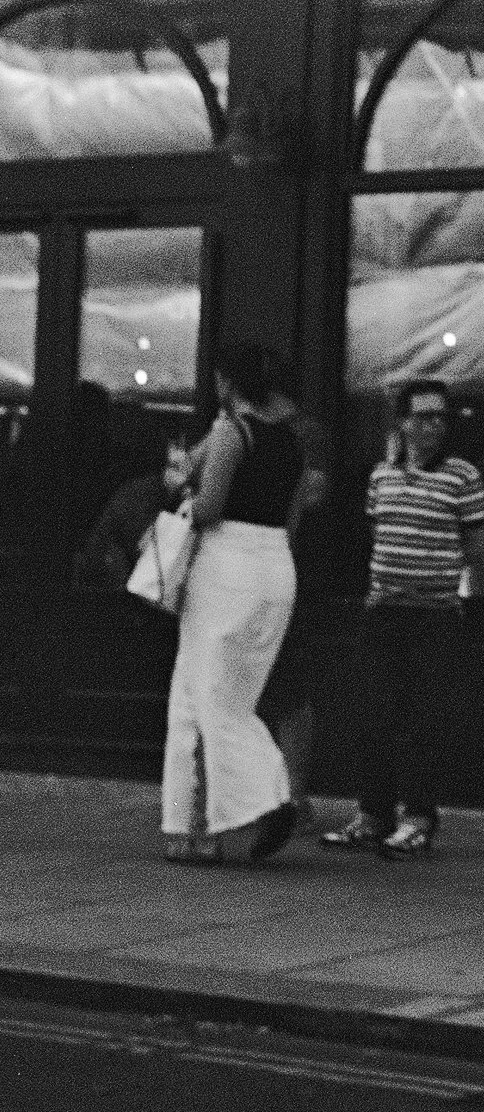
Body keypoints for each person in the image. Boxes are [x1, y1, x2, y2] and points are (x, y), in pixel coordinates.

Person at [322, 378, 484, 857]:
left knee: (422, 719)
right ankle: (372, 815)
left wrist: (476, 605)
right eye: (423, 416)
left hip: (434, 614)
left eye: (440, 417)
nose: (434, 425)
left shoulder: (462, 477)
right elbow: (376, 536)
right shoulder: (382, 475)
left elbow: (479, 552)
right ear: (403, 422)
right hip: (383, 611)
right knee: (373, 714)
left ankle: (417, 818)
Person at [160, 341, 303, 867]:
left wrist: (184, 500)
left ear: (225, 381)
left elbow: (210, 507)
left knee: (209, 699)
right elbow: (290, 511)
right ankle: (191, 825)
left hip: (226, 568)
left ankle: (265, 799)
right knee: (218, 693)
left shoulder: (232, 432)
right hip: (275, 565)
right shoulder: (289, 440)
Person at [256, 360, 334, 831]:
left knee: (286, 684)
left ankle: (293, 795)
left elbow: (313, 493)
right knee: (276, 685)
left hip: (286, 567)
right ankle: (278, 794)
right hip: (273, 566)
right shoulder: (260, 430)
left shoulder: (302, 434)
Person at [76, 437, 190, 591]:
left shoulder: (150, 491)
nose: (184, 474)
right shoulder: (142, 496)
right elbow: (142, 547)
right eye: (175, 467)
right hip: (109, 574)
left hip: (114, 568)